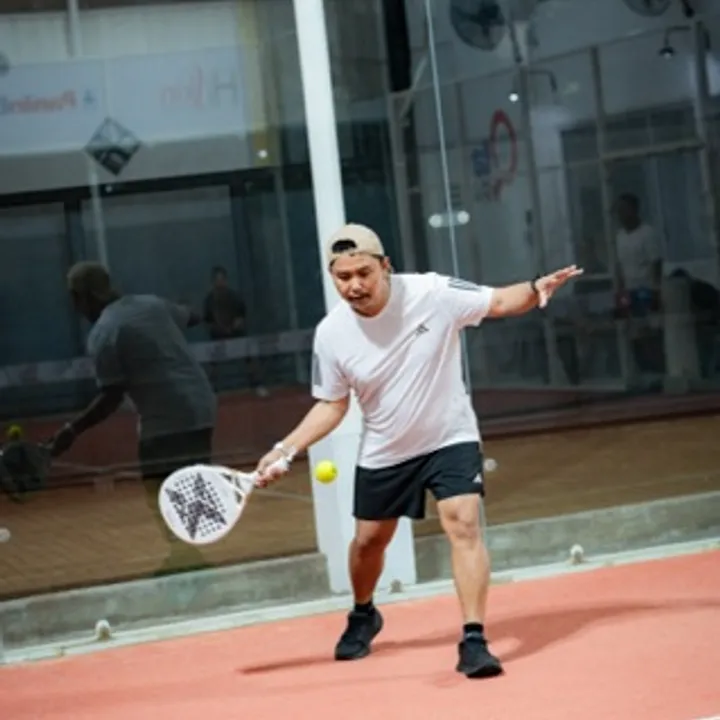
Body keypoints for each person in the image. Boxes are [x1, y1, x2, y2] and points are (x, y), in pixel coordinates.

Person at [253, 223, 583, 679]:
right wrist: (285, 448)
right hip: (385, 449)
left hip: (450, 436)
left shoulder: (432, 293)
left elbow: (498, 301)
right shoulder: (331, 335)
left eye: (363, 273)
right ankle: (364, 613)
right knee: (370, 542)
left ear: (385, 266)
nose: (354, 285)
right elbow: (332, 404)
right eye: (343, 277)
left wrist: (534, 288)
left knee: (463, 524)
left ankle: (474, 640)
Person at [50, 261, 218, 574]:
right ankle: (188, 555)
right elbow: (191, 316)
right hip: (202, 405)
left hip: (166, 419)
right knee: (186, 487)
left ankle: (186, 558)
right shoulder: (152, 304)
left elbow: (111, 397)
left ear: (80, 298)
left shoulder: (104, 333)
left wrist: (71, 430)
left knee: (158, 490)